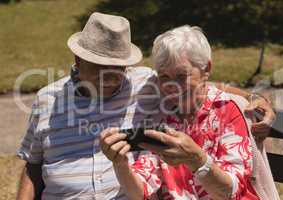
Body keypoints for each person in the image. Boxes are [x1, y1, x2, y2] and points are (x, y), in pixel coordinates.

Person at [17, 13, 274, 200]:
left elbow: (197, 84)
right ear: (78, 59)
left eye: (117, 67)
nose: (109, 75)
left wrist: (253, 98)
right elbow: (33, 165)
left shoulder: (145, 85)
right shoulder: (47, 99)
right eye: (98, 66)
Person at [101, 26, 268, 199]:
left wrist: (196, 159)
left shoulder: (226, 110)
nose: (172, 85)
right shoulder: (161, 115)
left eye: (181, 75)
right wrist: (120, 164)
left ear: (206, 69)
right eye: (164, 76)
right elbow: (141, 191)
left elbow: (230, 191)